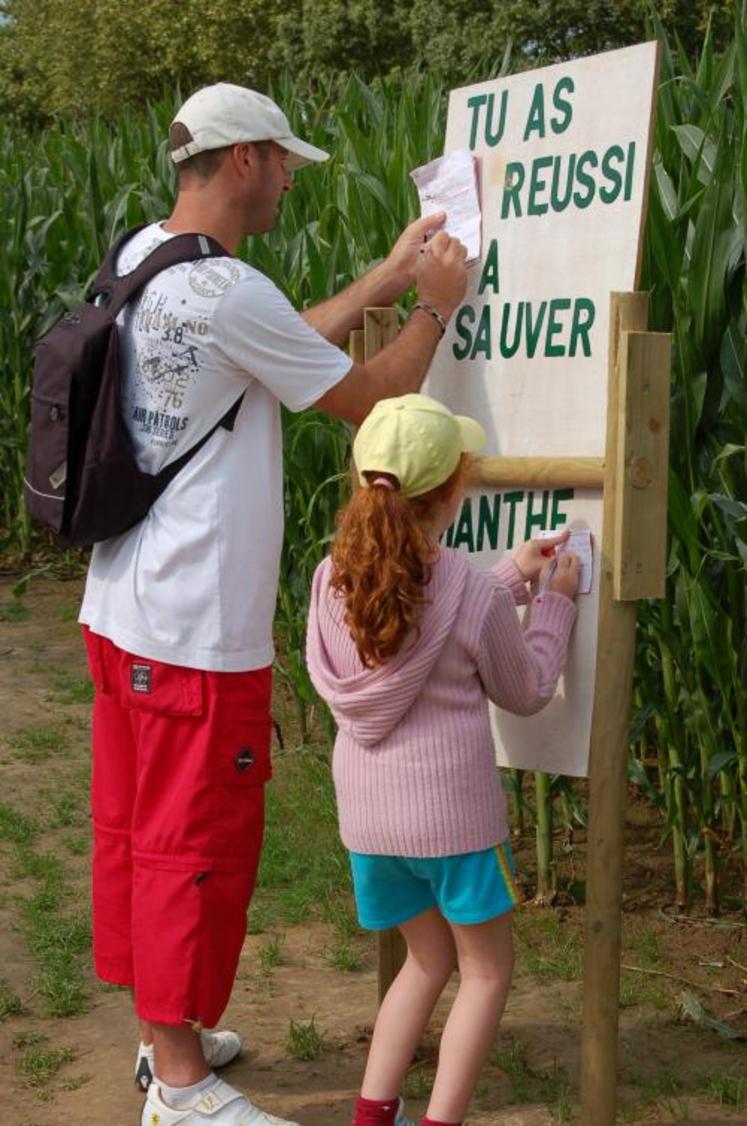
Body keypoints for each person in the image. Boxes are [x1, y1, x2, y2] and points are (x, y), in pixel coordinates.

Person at [78, 83, 469, 1126]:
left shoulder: (142, 261)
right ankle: (181, 1082)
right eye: (285, 159)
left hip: (123, 609)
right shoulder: (228, 289)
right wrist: (435, 304)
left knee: (135, 828)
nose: (292, 177)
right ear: (243, 159)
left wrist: (379, 276)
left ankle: (167, 1034)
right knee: (190, 844)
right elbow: (371, 395)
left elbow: (272, 343)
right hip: (194, 628)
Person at [305, 393, 580, 1126]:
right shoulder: (462, 584)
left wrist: (509, 577)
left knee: (425, 961)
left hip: (369, 824)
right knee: (485, 972)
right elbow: (524, 688)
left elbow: (422, 616)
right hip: (453, 825)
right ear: (453, 489)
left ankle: (372, 1113)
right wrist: (554, 603)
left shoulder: (329, 579)